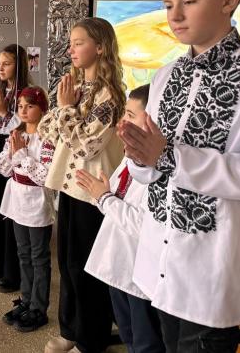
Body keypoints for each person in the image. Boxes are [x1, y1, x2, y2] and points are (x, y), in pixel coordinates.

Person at [119, 0, 240, 352]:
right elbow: (150, 172)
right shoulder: (165, 76)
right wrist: (139, 155)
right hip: (160, 259)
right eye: (168, 5)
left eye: (189, 2)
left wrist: (168, 156)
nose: (175, 16)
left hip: (214, 267)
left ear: (229, 0)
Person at [38, 17, 126, 353]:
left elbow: (87, 146)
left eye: (79, 43)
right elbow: (47, 130)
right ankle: (70, 329)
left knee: (87, 268)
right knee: (67, 263)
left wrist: (66, 111)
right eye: (71, 43)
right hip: (70, 186)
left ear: (100, 47)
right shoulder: (74, 88)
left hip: (93, 192)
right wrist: (65, 110)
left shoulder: (110, 96)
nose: (71, 50)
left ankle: (91, 338)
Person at [77, 84, 165, 353]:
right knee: (128, 333)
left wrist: (105, 198)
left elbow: (145, 226)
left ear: (152, 121)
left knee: (146, 342)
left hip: (139, 272)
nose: (121, 123)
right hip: (118, 262)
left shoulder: (160, 169)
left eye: (130, 115)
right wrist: (102, 194)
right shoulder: (129, 159)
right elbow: (113, 202)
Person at [0, 87, 55, 333]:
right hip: (17, 201)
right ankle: (27, 300)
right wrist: (11, 152)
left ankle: (39, 308)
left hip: (37, 202)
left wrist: (21, 155)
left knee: (39, 257)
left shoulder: (47, 139)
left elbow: (45, 177)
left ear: (42, 109)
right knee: (23, 253)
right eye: (20, 106)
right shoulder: (17, 134)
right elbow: (2, 168)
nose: (23, 110)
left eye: (30, 106)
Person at [0, 44, 31, 293]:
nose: (1, 68)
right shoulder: (0, 91)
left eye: (7, 63)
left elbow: (23, 125)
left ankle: (13, 270)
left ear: (18, 65)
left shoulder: (26, 94)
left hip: (14, 154)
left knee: (11, 211)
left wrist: (2, 115)